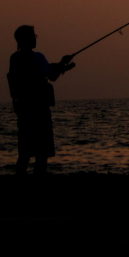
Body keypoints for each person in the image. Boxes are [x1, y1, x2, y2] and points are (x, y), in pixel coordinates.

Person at [7, 25, 75, 175]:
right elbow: (52, 76)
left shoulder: (15, 58)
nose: (35, 38)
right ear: (27, 39)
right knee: (42, 154)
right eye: (33, 35)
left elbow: (35, 71)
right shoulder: (37, 57)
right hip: (39, 113)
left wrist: (60, 65)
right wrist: (62, 64)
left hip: (23, 112)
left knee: (24, 154)